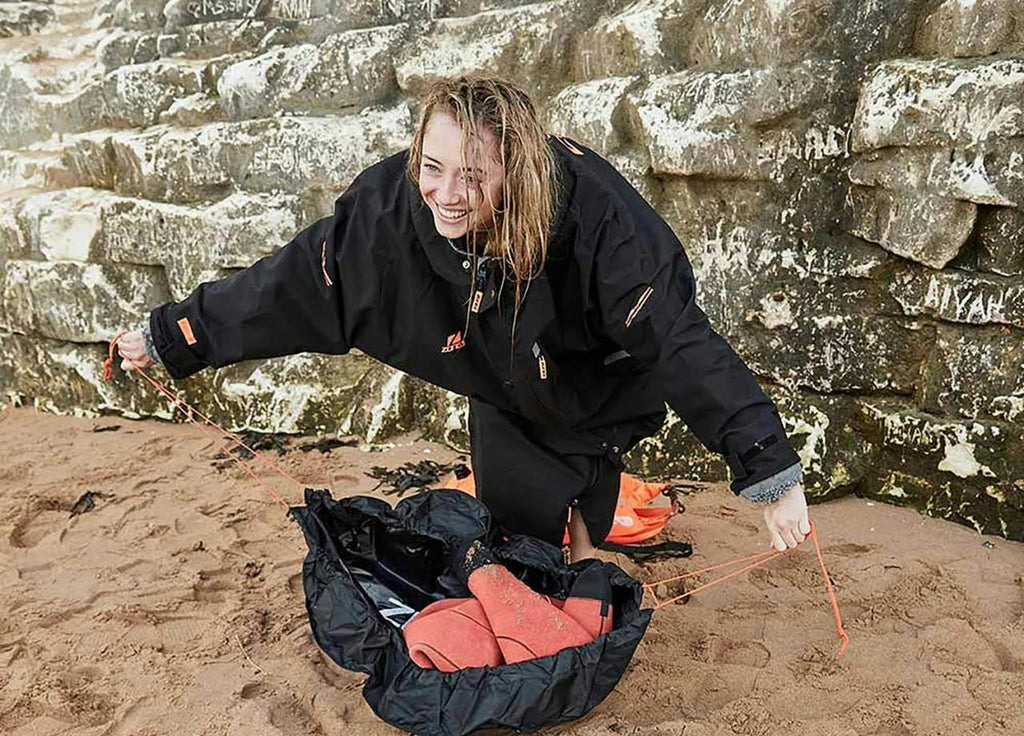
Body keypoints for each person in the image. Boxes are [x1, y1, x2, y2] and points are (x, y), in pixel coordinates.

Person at [116, 76, 810, 564]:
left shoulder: (602, 225)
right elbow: (292, 283)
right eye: (432, 166)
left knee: (572, 472)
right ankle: (557, 552)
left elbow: (680, 344)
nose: (446, 196)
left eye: (473, 177)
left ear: (518, 170)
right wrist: (172, 336)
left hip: (598, 367)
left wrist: (771, 473)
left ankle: (589, 552)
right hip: (499, 368)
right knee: (519, 527)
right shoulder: (398, 203)